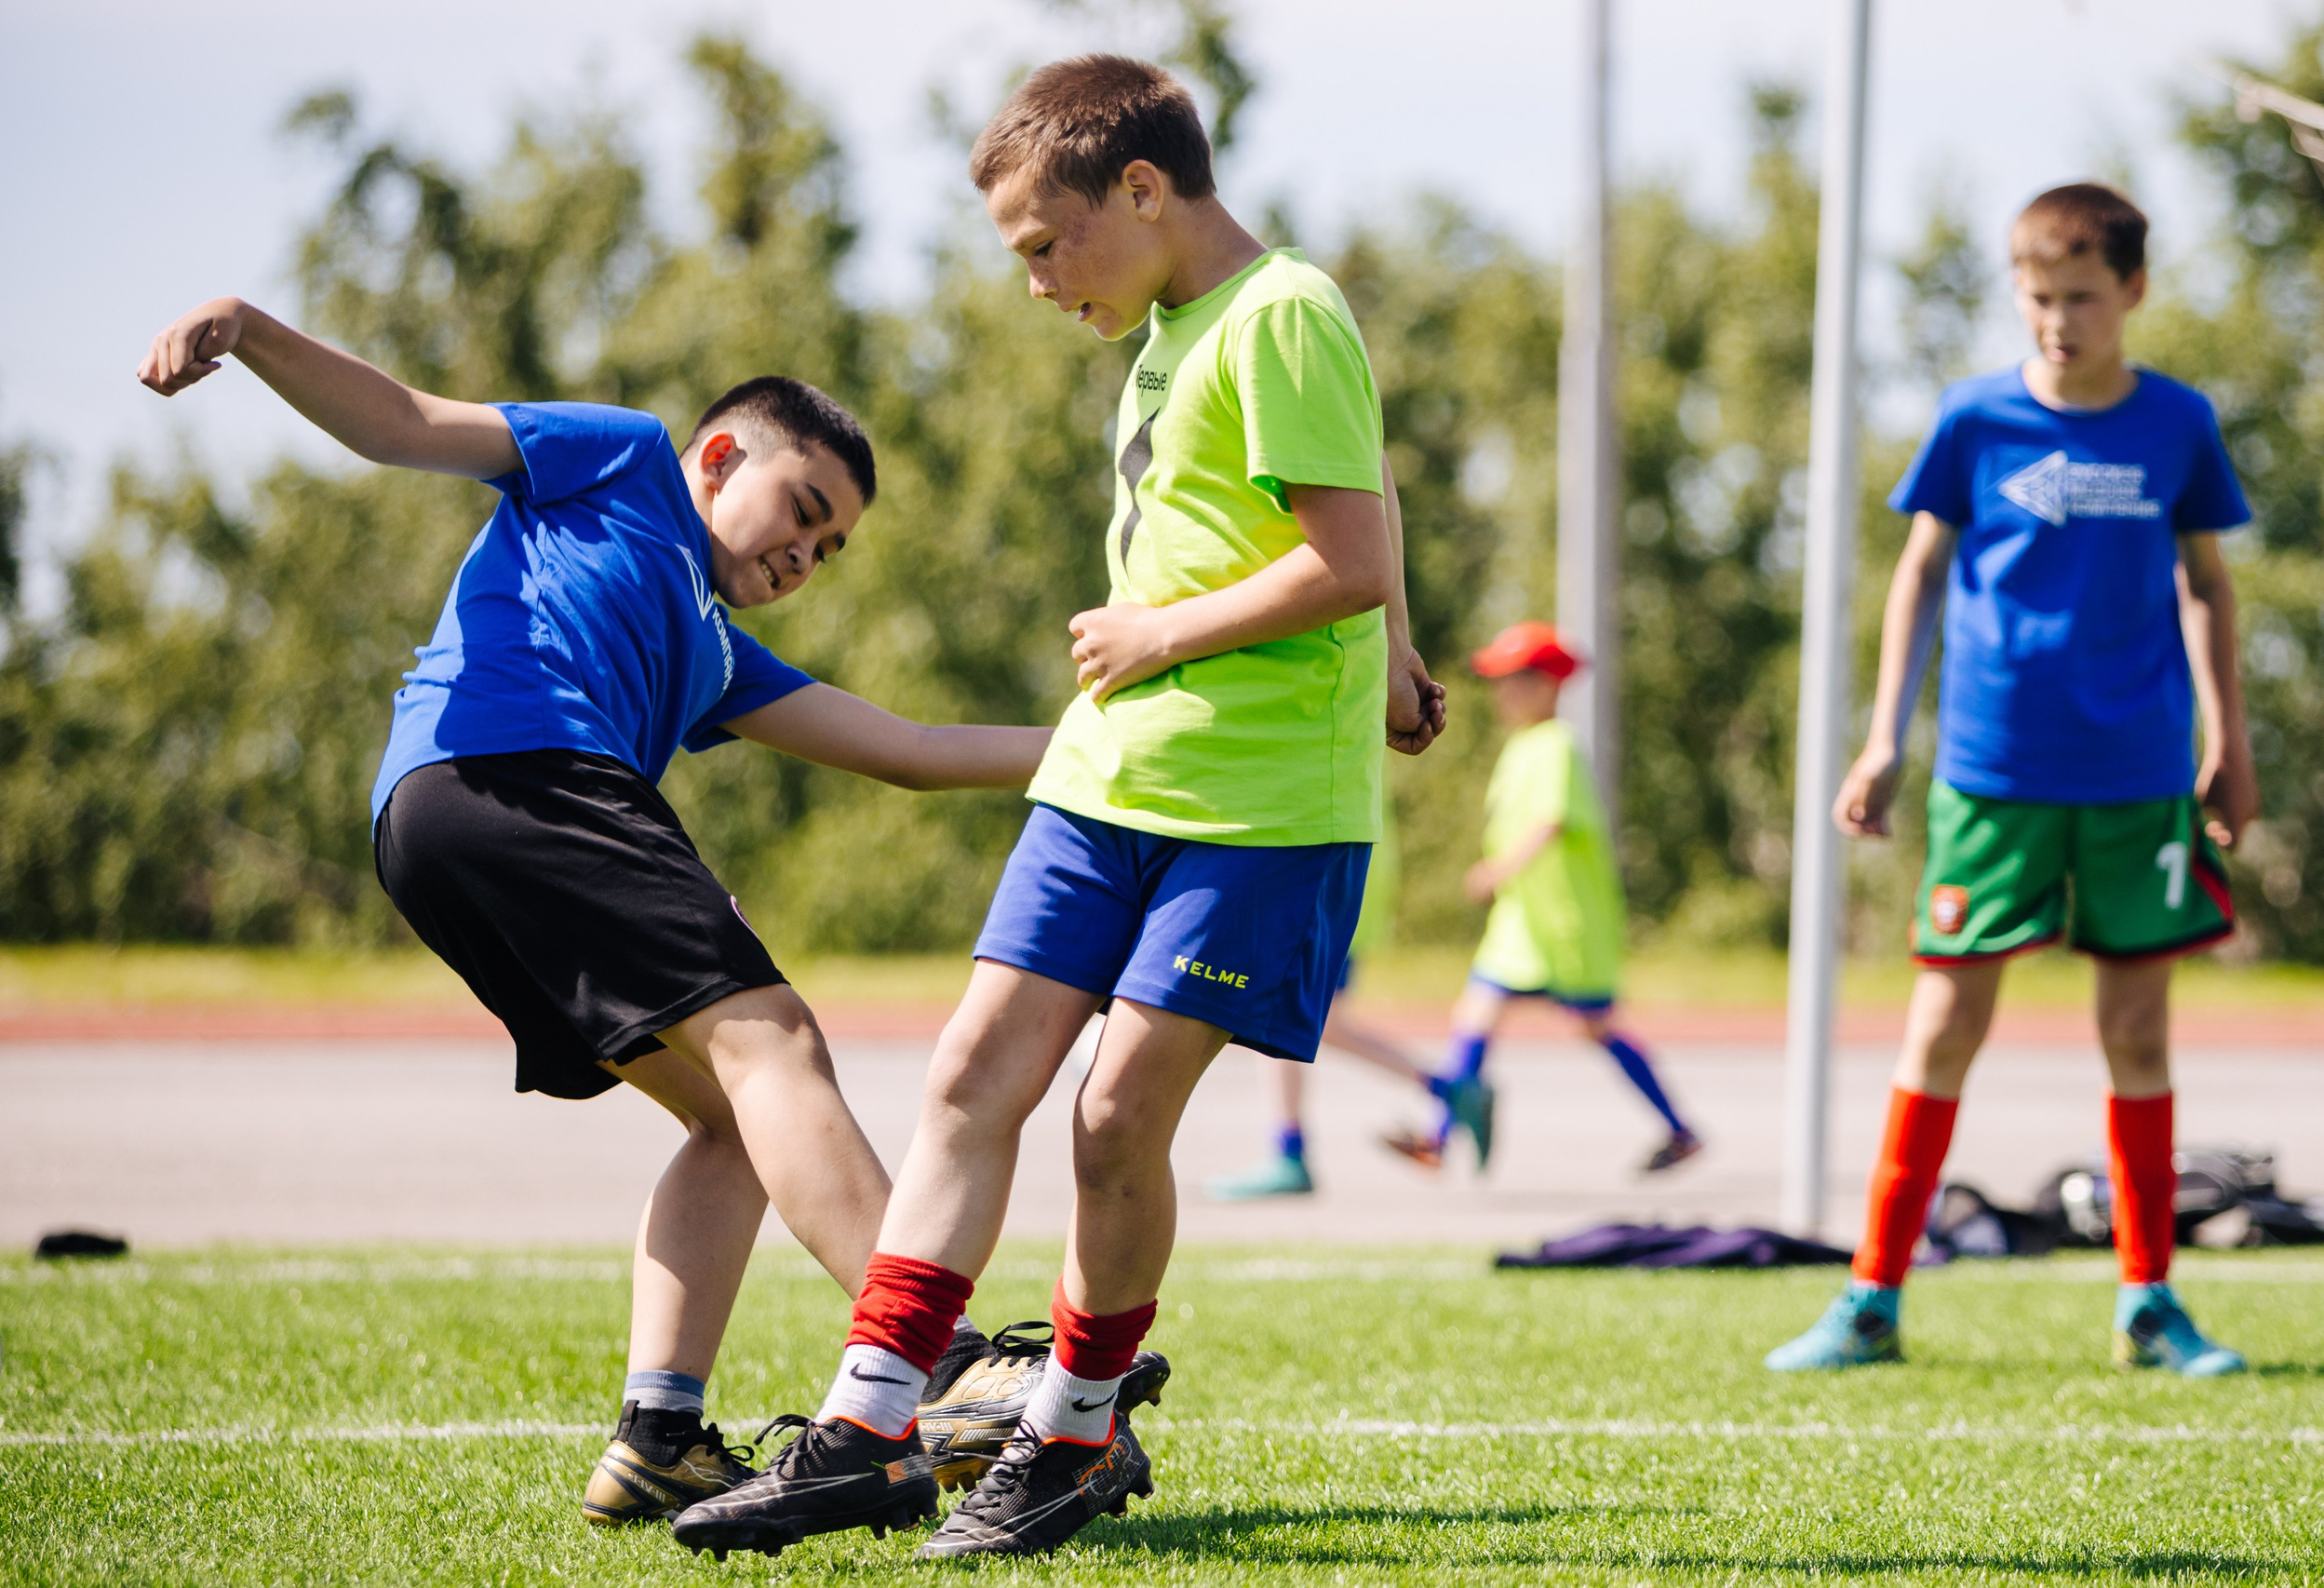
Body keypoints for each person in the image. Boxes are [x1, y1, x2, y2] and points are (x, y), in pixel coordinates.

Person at [670, 54, 1444, 1562]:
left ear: (1144, 191)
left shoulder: (1283, 309)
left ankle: (1074, 1440)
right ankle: (862, 1433)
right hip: (1107, 781)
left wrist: (1178, 634)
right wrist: (1399, 652)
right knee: (969, 1079)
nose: (1034, 281)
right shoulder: (1168, 330)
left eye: (1044, 243)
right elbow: (1336, 533)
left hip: (1259, 805)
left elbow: (1347, 548)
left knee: (1112, 1122)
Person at [135, 297, 1055, 1525]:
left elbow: (916, 746)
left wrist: (1126, 746)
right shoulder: (623, 453)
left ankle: (660, 1435)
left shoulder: (717, 655)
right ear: (721, 457)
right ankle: (937, 1362)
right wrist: (250, 332)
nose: (807, 555)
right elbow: (404, 423)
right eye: (804, 512)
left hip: (441, 825)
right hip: (511, 767)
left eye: (830, 551)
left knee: (735, 1115)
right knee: (775, 1043)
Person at [1766, 182, 2257, 1377]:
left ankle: (2148, 1298)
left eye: (2081, 297)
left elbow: (2205, 586)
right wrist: (1883, 735)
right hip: (1990, 776)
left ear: (2131, 292)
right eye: (2038, 298)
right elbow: (1917, 576)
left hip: (2137, 777)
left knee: (2136, 1029)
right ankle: (1872, 1294)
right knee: (1944, 1022)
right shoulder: (1972, 418)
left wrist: (2230, 740)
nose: (2057, 321)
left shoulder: (2177, 423)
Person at [1377, 622, 1699, 1177]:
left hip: (1565, 925)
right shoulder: (1523, 747)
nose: (1502, 693)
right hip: (1523, 924)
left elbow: (1550, 822)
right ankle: (1438, 1137)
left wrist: (1499, 870)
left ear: (1548, 685)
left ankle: (1679, 1128)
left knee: (1596, 1027)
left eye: (1513, 681)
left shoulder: (1556, 746)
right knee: (1475, 1015)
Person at [1202, 819, 1492, 1200]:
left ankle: (1448, 1089)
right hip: (1332, 860)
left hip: (1323, 865)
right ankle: (1290, 1151)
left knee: (1300, 1016)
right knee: (1284, 1013)